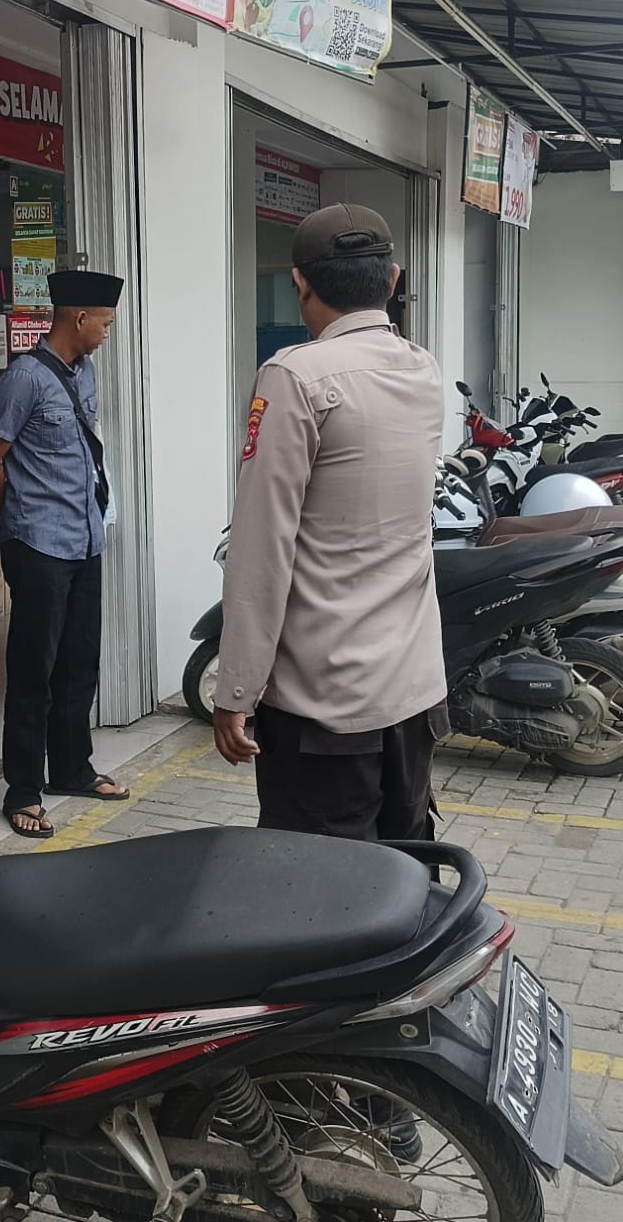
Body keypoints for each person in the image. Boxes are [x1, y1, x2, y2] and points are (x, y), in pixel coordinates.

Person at [212, 204, 448, 841]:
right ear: (392, 280)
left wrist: (236, 691)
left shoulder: (293, 376)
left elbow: (261, 550)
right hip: (414, 692)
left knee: (319, 888)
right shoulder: (422, 368)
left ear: (300, 284)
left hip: (324, 706)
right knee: (406, 871)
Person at [0, 270, 130, 840]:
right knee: (32, 671)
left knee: (79, 662)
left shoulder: (84, 371)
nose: (107, 333)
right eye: (105, 323)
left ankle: (72, 769)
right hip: (39, 545)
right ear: (79, 318)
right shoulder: (24, 379)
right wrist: (15, 520)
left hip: (85, 539)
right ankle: (22, 789)